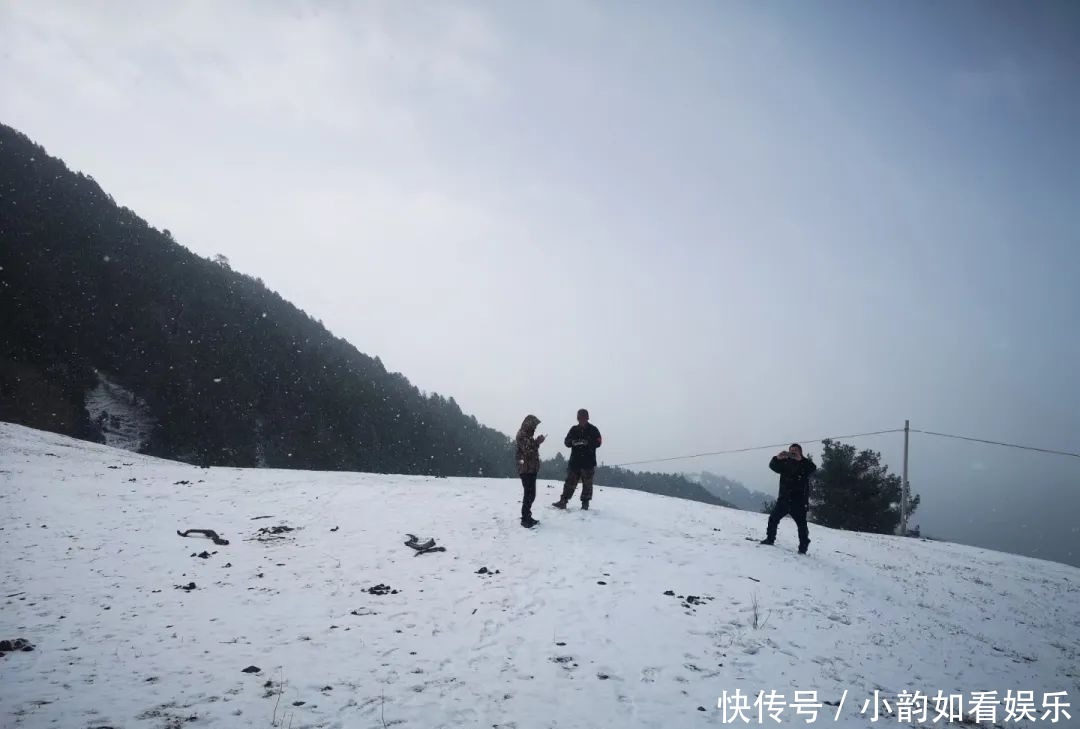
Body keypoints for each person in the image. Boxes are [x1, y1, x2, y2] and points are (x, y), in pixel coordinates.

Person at [760, 443, 817, 554]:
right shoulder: (785, 463)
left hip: (799, 501)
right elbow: (772, 466)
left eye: (795, 450)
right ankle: (770, 539)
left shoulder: (805, 464)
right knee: (773, 519)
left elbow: (813, 468)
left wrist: (800, 460)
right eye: (791, 450)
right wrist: (777, 458)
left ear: (800, 452)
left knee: (801, 525)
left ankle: (803, 547)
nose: (793, 452)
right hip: (784, 499)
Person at [552, 408, 602, 511]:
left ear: (587, 418)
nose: (582, 420)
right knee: (569, 483)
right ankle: (563, 501)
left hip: (588, 462)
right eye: (580, 418)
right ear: (578, 418)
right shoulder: (574, 429)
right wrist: (573, 442)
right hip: (575, 462)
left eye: (584, 418)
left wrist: (588, 442)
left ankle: (585, 503)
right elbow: (566, 442)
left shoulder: (593, 429)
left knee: (587, 484)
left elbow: (599, 442)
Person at [514, 414, 545, 528]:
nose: (535, 428)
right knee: (529, 494)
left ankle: (527, 516)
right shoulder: (521, 435)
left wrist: (536, 442)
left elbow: (531, 448)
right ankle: (525, 519)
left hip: (531, 469)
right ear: (529, 424)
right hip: (525, 469)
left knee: (531, 494)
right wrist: (537, 442)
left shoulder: (527, 435)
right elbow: (527, 450)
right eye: (534, 426)